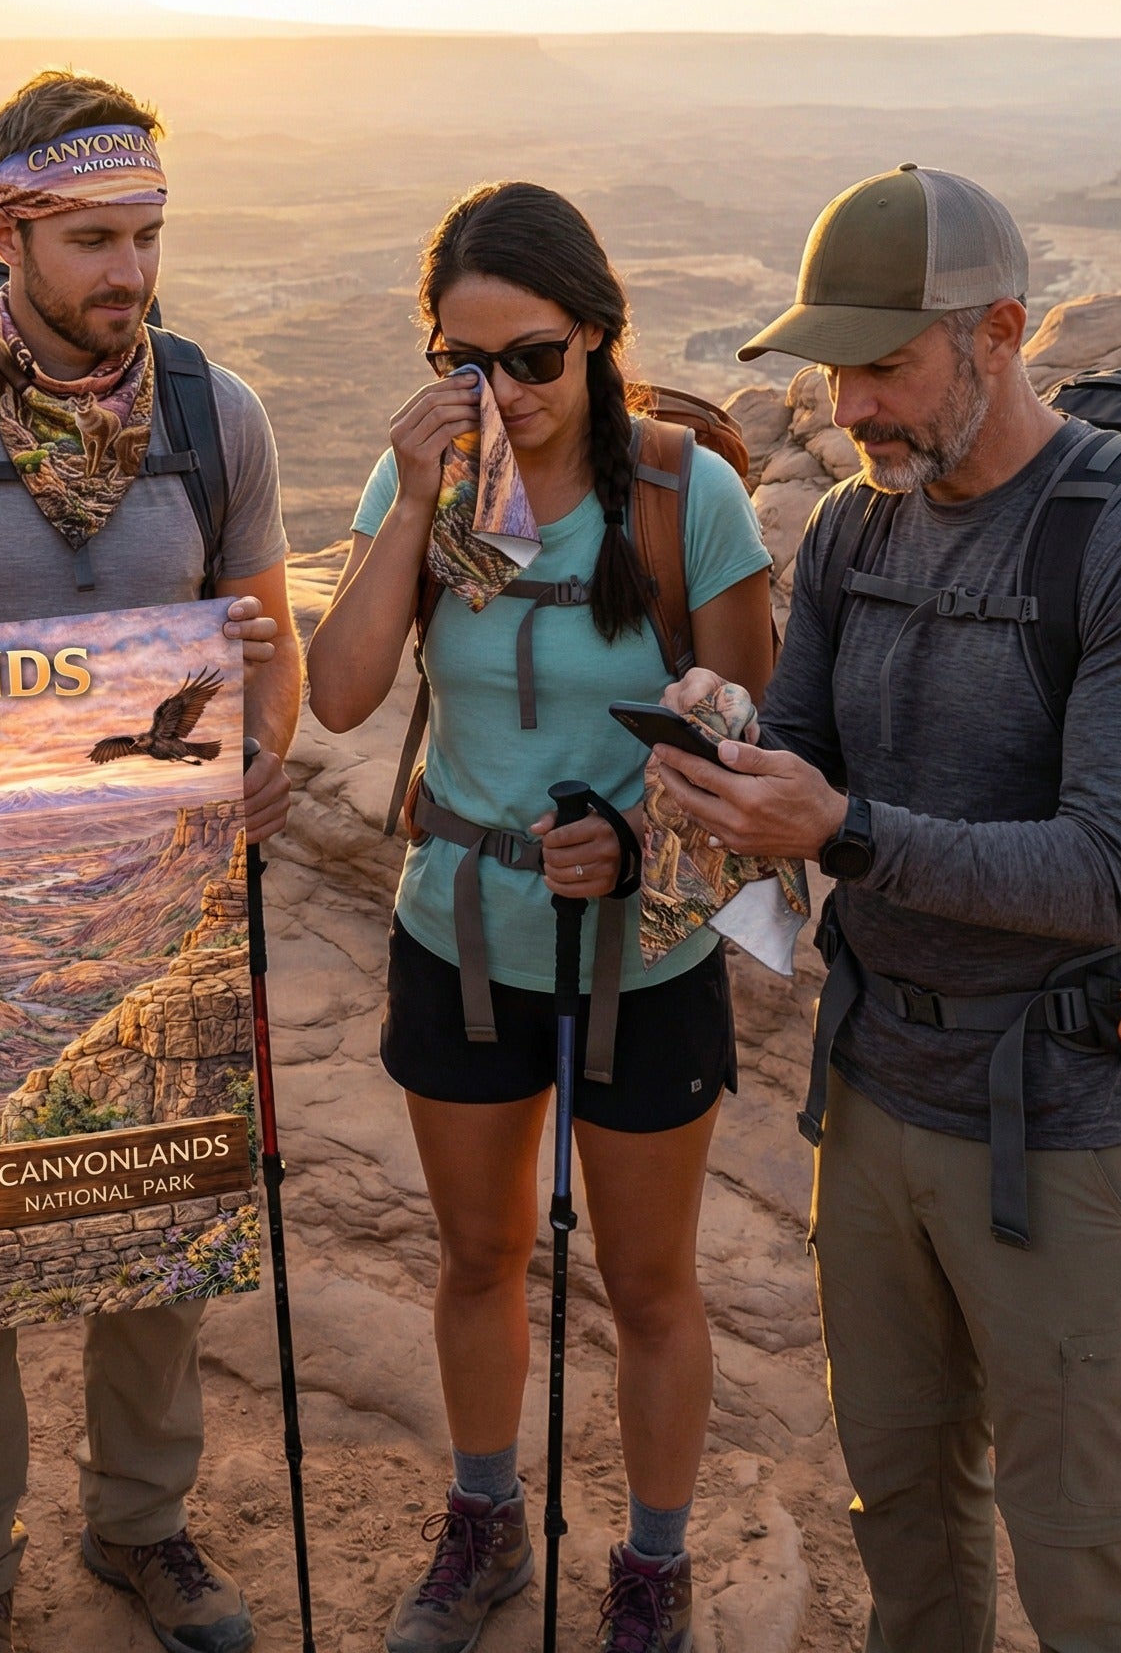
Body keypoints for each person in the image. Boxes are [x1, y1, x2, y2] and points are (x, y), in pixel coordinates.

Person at [650, 164, 1121, 1653]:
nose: (849, 406)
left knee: (1091, 1555)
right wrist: (716, 770)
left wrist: (842, 831)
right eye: (836, 367)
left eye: (886, 365)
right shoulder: (855, 529)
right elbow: (807, 755)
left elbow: (1112, 869)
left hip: (1066, 1116)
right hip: (875, 1096)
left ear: (1002, 330)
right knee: (902, 1503)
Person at [0, 69, 301, 1653]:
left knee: (154, 1229)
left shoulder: (217, 419)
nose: (130, 275)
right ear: (6, 228)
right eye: (95, 239)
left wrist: (258, 762)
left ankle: (141, 1526)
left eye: (147, 236)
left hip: (163, 912)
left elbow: (267, 645)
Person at [304, 182, 774, 1653]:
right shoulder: (432, 482)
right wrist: (406, 497)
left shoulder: (685, 492)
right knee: (474, 1257)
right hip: (460, 931)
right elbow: (339, 695)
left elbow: (755, 740)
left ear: (598, 338)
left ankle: (652, 1564)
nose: (501, 391)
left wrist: (639, 839)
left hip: (647, 954)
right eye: (466, 361)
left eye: (533, 358)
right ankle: (485, 1517)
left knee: (646, 1282)